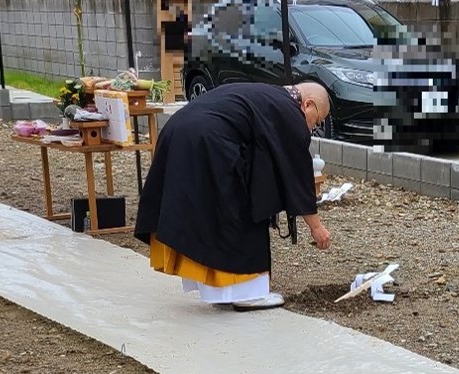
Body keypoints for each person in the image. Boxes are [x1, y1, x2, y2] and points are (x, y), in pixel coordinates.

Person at [134, 81, 332, 311]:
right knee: (243, 205)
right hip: (207, 139)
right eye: (315, 121)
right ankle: (247, 293)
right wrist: (316, 227)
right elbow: (297, 174)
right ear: (308, 104)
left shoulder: (270, 96)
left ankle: (223, 289)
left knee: (207, 211)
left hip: (179, 130)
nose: (310, 129)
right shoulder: (288, 110)